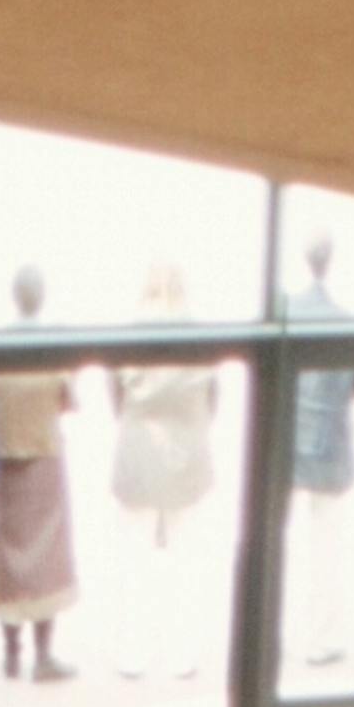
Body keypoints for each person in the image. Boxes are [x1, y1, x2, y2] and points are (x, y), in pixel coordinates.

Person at [104, 261, 220, 676]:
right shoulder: (202, 336)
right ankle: (181, 655)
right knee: (187, 558)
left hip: (139, 447)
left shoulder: (128, 334)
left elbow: (114, 399)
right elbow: (213, 401)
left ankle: (133, 654)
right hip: (186, 453)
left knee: (133, 557)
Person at [0, 268, 81, 680]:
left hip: (2, 458)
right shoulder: (52, 346)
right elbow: (68, 400)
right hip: (43, 455)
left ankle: (10, 653)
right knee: (46, 555)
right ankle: (42, 656)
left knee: (6, 554)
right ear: (41, 298)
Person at [287, 227, 354, 663]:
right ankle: (320, 638)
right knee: (325, 549)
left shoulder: (286, 311)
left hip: (285, 444)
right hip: (330, 447)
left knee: (276, 539)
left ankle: (273, 629)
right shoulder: (347, 323)